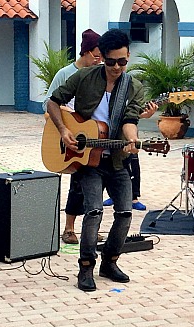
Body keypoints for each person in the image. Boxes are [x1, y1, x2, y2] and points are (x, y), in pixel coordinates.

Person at [45, 29, 145, 292]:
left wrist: (132, 140)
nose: (116, 67)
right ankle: (85, 267)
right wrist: (65, 131)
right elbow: (53, 102)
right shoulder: (86, 76)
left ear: (128, 57)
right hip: (86, 160)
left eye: (122, 62)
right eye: (110, 61)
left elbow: (129, 120)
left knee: (124, 212)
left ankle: (110, 262)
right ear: (101, 57)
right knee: (94, 212)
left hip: (116, 160)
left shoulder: (132, 86)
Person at [46, 29, 102, 245]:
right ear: (86, 53)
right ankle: (69, 228)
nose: (99, 61)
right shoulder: (65, 74)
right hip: (67, 134)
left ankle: (90, 227)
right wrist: (66, 121)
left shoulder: (100, 77)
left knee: (93, 184)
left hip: (90, 136)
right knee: (77, 185)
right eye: (96, 56)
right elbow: (48, 104)